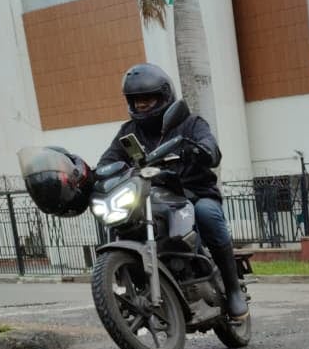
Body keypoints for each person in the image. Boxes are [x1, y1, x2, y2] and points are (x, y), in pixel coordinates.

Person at [98, 63, 247, 320]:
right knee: (120, 221)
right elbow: (107, 161)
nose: (142, 105)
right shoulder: (128, 132)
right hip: (152, 198)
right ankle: (132, 290)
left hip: (195, 193)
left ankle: (233, 289)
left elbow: (210, 146)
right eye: (136, 100)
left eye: (148, 98)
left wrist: (203, 150)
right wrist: (95, 175)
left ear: (164, 96)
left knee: (207, 214)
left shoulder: (190, 123)